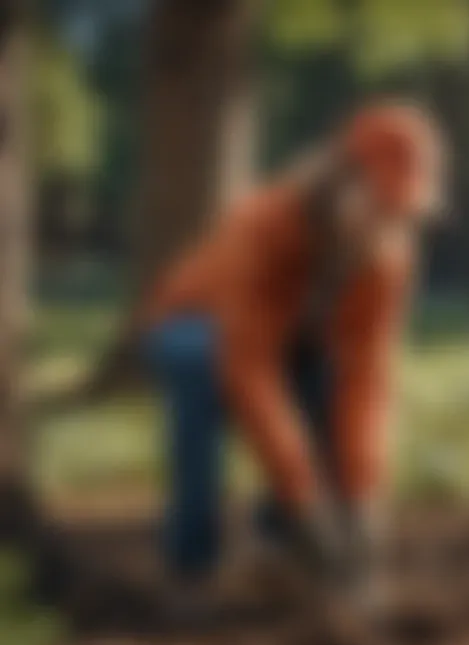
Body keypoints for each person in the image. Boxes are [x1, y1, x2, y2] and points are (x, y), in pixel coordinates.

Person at [138, 100, 447, 612]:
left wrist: (361, 499)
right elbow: (248, 367)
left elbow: (366, 376)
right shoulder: (262, 225)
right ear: (340, 178)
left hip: (288, 346)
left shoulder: (388, 259)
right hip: (194, 326)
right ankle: (191, 568)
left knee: (326, 383)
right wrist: (305, 499)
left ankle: (280, 550)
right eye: (379, 202)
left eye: (400, 212)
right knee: (197, 362)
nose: (387, 222)